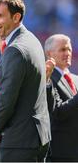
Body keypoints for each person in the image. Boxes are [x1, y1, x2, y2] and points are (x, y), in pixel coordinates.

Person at [0, 0, 51, 162]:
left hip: (20, 140)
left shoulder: (16, 49)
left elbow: (8, 97)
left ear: (16, 17)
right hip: (37, 136)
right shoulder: (32, 40)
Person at [44, 34, 78, 162]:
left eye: (69, 49)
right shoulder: (47, 79)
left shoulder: (76, 79)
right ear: (49, 54)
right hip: (61, 153)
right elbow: (57, 112)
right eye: (62, 50)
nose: (67, 53)